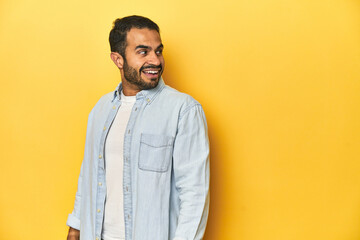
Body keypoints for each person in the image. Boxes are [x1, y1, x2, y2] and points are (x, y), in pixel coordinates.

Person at [66, 15, 210, 240]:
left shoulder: (184, 110)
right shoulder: (101, 109)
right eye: (143, 52)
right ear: (118, 59)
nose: (156, 60)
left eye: (158, 51)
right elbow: (89, 173)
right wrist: (76, 225)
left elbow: (195, 195)